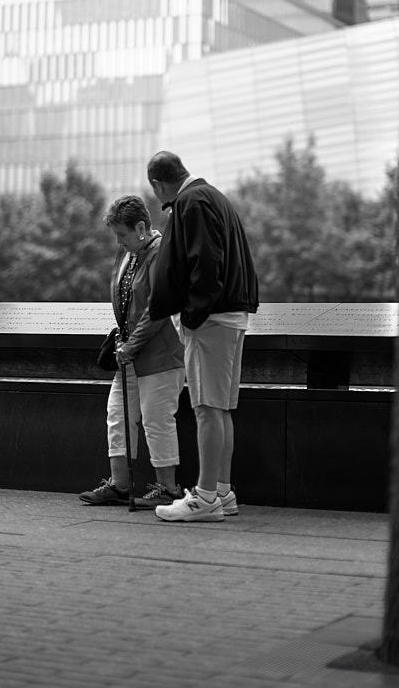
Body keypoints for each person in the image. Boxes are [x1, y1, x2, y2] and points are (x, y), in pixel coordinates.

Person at [146, 151, 259, 522]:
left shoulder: (190, 202)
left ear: (158, 185)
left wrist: (191, 317)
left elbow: (206, 263)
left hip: (211, 319)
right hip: (232, 315)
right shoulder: (215, 196)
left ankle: (206, 497)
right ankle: (223, 492)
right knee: (222, 408)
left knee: (206, 409)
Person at [79, 195, 185, 509]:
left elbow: (158, 309)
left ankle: (169, 489)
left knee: (156, 419)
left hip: (160, 355)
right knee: (118, 415)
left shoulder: (159, 253)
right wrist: (124, 344)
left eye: (121, 234)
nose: (118, 241)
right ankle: (120, 485)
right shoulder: (132, 254)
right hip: (130, 353)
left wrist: (131, 345)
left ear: (141, 227)